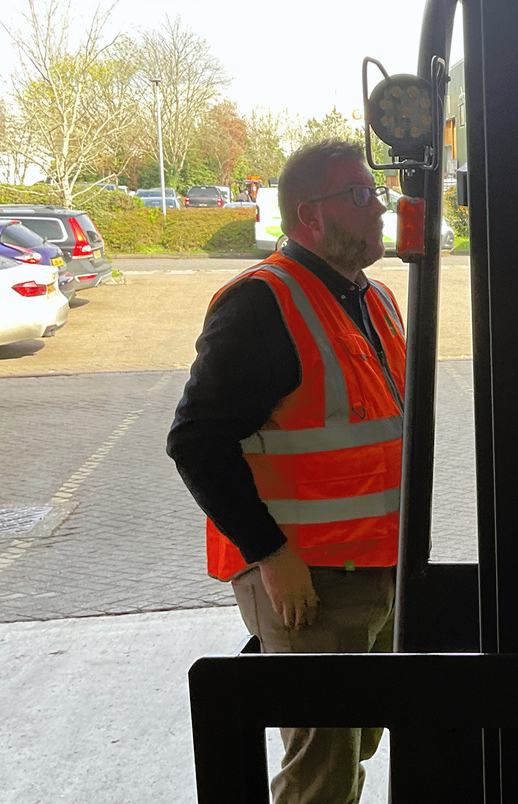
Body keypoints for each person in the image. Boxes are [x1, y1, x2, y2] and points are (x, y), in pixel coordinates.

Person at [167, 139, 406, 804]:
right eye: (360, 196)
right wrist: (271, 554)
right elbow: (195, 440)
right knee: (321, 772)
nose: (378, 209)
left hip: (375, 566)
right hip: (311, 580)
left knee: (353, 744)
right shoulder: (263, 304)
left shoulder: (372, 298)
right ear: (309, 216)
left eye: (376, 194)